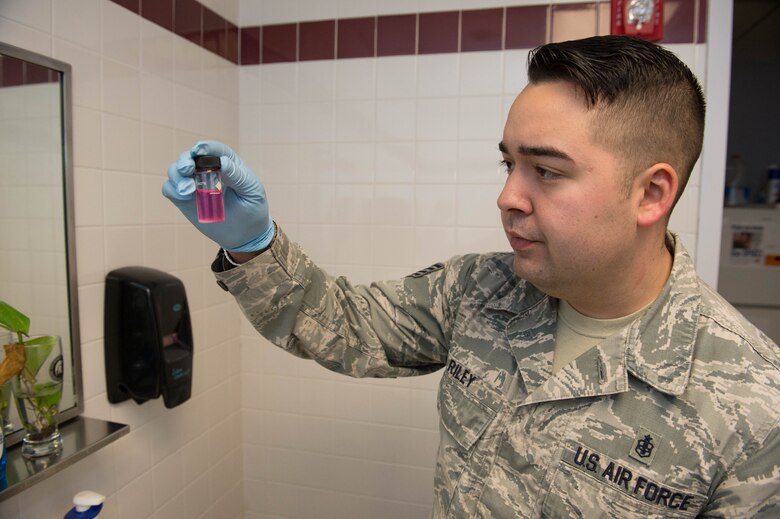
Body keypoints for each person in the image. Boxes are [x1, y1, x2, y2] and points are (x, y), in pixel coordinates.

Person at [163, 35, 780, 518]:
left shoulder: (752, 411)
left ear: (651, 193)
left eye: (547, 170)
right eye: (510, 163)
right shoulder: (482, 290)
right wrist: (252, 244)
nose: (507, 196)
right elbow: (347, 327)